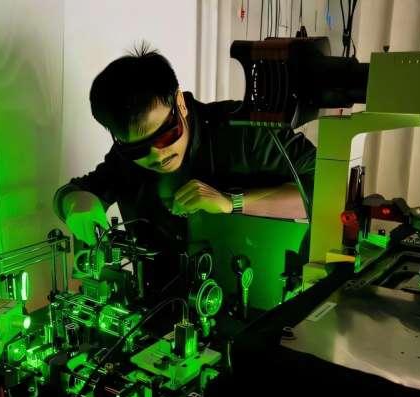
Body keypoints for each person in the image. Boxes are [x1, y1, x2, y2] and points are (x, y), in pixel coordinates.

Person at [53, 44, 315, 256]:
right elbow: (72, 192)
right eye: (138, 149)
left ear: (180, 102)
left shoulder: (246, 131)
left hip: (261, 291)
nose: (157, 155)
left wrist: (231, 203)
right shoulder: (124, 161)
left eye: (166, 135)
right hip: (161, 298)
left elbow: (325, 191)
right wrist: (76, 203)